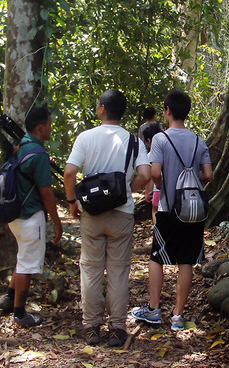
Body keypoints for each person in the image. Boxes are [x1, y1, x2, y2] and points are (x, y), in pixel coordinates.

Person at [64, 90, 150, 347]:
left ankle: (91, 327)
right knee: (118, 271)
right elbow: (145, 174)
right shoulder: (134, 142)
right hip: (121, 213)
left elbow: (70, 172)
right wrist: (127, 188)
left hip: (92, 213)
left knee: (90, 268)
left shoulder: (86, 137)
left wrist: (71, 202)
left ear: (102, 108)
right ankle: (117, 328)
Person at [131, 90, 213, 331]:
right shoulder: (199, 140)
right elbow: (208, 174)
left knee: (158, 257)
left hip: (168, 208)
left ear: (167, 110)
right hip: (193, 211)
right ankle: (178, 315)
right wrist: (191, 179)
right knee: (185, 260)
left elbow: (155, 173)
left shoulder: (160, 140)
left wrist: (162, 184)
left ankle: (154, 309)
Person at [0, 106, 63, 328]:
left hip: (15, 216)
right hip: (30, 216)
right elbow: (46, 193)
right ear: (42, 127)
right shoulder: (39, 154)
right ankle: (20, 313)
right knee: (27, 265)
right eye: (50, 124)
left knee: (22, 257)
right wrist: (57, 222)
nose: (51, 129)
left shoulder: (20, 145)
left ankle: (8, 298)